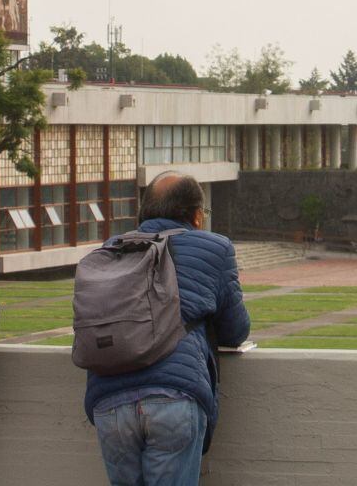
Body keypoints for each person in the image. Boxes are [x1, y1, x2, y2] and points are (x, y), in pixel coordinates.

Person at [85, 173, 251, 486]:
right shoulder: (216, 249)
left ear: (143, 212)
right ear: (197, 215)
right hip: (174, 397)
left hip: (110, 402)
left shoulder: (110, 249)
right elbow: (235, 329)